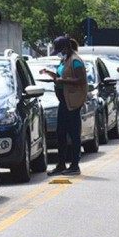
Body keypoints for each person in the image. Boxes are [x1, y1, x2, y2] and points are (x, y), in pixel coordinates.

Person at [45, 36, 87, 176]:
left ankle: (75, 165)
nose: (59, 53)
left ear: (66, 48)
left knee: (73, 134)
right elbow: (61, 75)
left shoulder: (75, 61)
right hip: (64, 102)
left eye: (60, 50)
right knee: (61, 133)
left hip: (72, 103)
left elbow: (81, 80)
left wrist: (63, 80)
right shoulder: (65, 60)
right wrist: (52, 75)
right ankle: (61, 164)